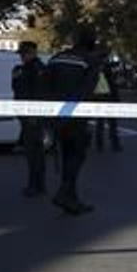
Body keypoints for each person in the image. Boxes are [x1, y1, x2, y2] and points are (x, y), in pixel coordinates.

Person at [46, 28, 103, 215]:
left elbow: (45, 85)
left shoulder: (56, 58)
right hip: (76, 116)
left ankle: (72, 199)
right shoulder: (91, 60)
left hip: (55, 115)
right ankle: (65, 192)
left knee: (66, 154)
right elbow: (87, 91)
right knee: (77, 155)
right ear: (91, 43)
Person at [12, 41, 49, 197]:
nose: (22, 56)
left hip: (33, 116)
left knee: (34, 153)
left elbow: (39, 94)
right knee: (33, 153)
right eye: (21, 53)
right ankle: (37, 185)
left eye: (24, 53)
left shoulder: (38, 69)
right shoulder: (23, 69)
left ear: (33, 53)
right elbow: (17, 89)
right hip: (27, 116)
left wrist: (34, 115)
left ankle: (35, 185)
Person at [92, 58, 122, 153]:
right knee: (108, 123)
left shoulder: (99, 71)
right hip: (105, 98)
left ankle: (103, 144)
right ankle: (112, 144)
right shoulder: (102, 72)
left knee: (104, 123)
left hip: (103, 98)